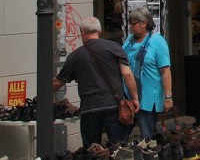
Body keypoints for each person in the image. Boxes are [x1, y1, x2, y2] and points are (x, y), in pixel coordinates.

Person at [54, 17, 138, 148]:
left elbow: (57, 83)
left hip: (89, 107)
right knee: (119, 148)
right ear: (99, 31)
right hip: (114, 105)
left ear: (83, 31)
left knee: (92, 149)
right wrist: (135, 98)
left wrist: (42, 92)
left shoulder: (75, 56)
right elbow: (127, 74)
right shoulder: (115, 48)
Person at [123, 7, 173, 142]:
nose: (130, 27)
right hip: (128, 97)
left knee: (147, 136)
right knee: (121, 136)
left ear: (143, 23)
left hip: (147, 98)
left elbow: (165, 71)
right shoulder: (130, 40)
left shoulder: (157, 42)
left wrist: (168, 97)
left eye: (133, 24)